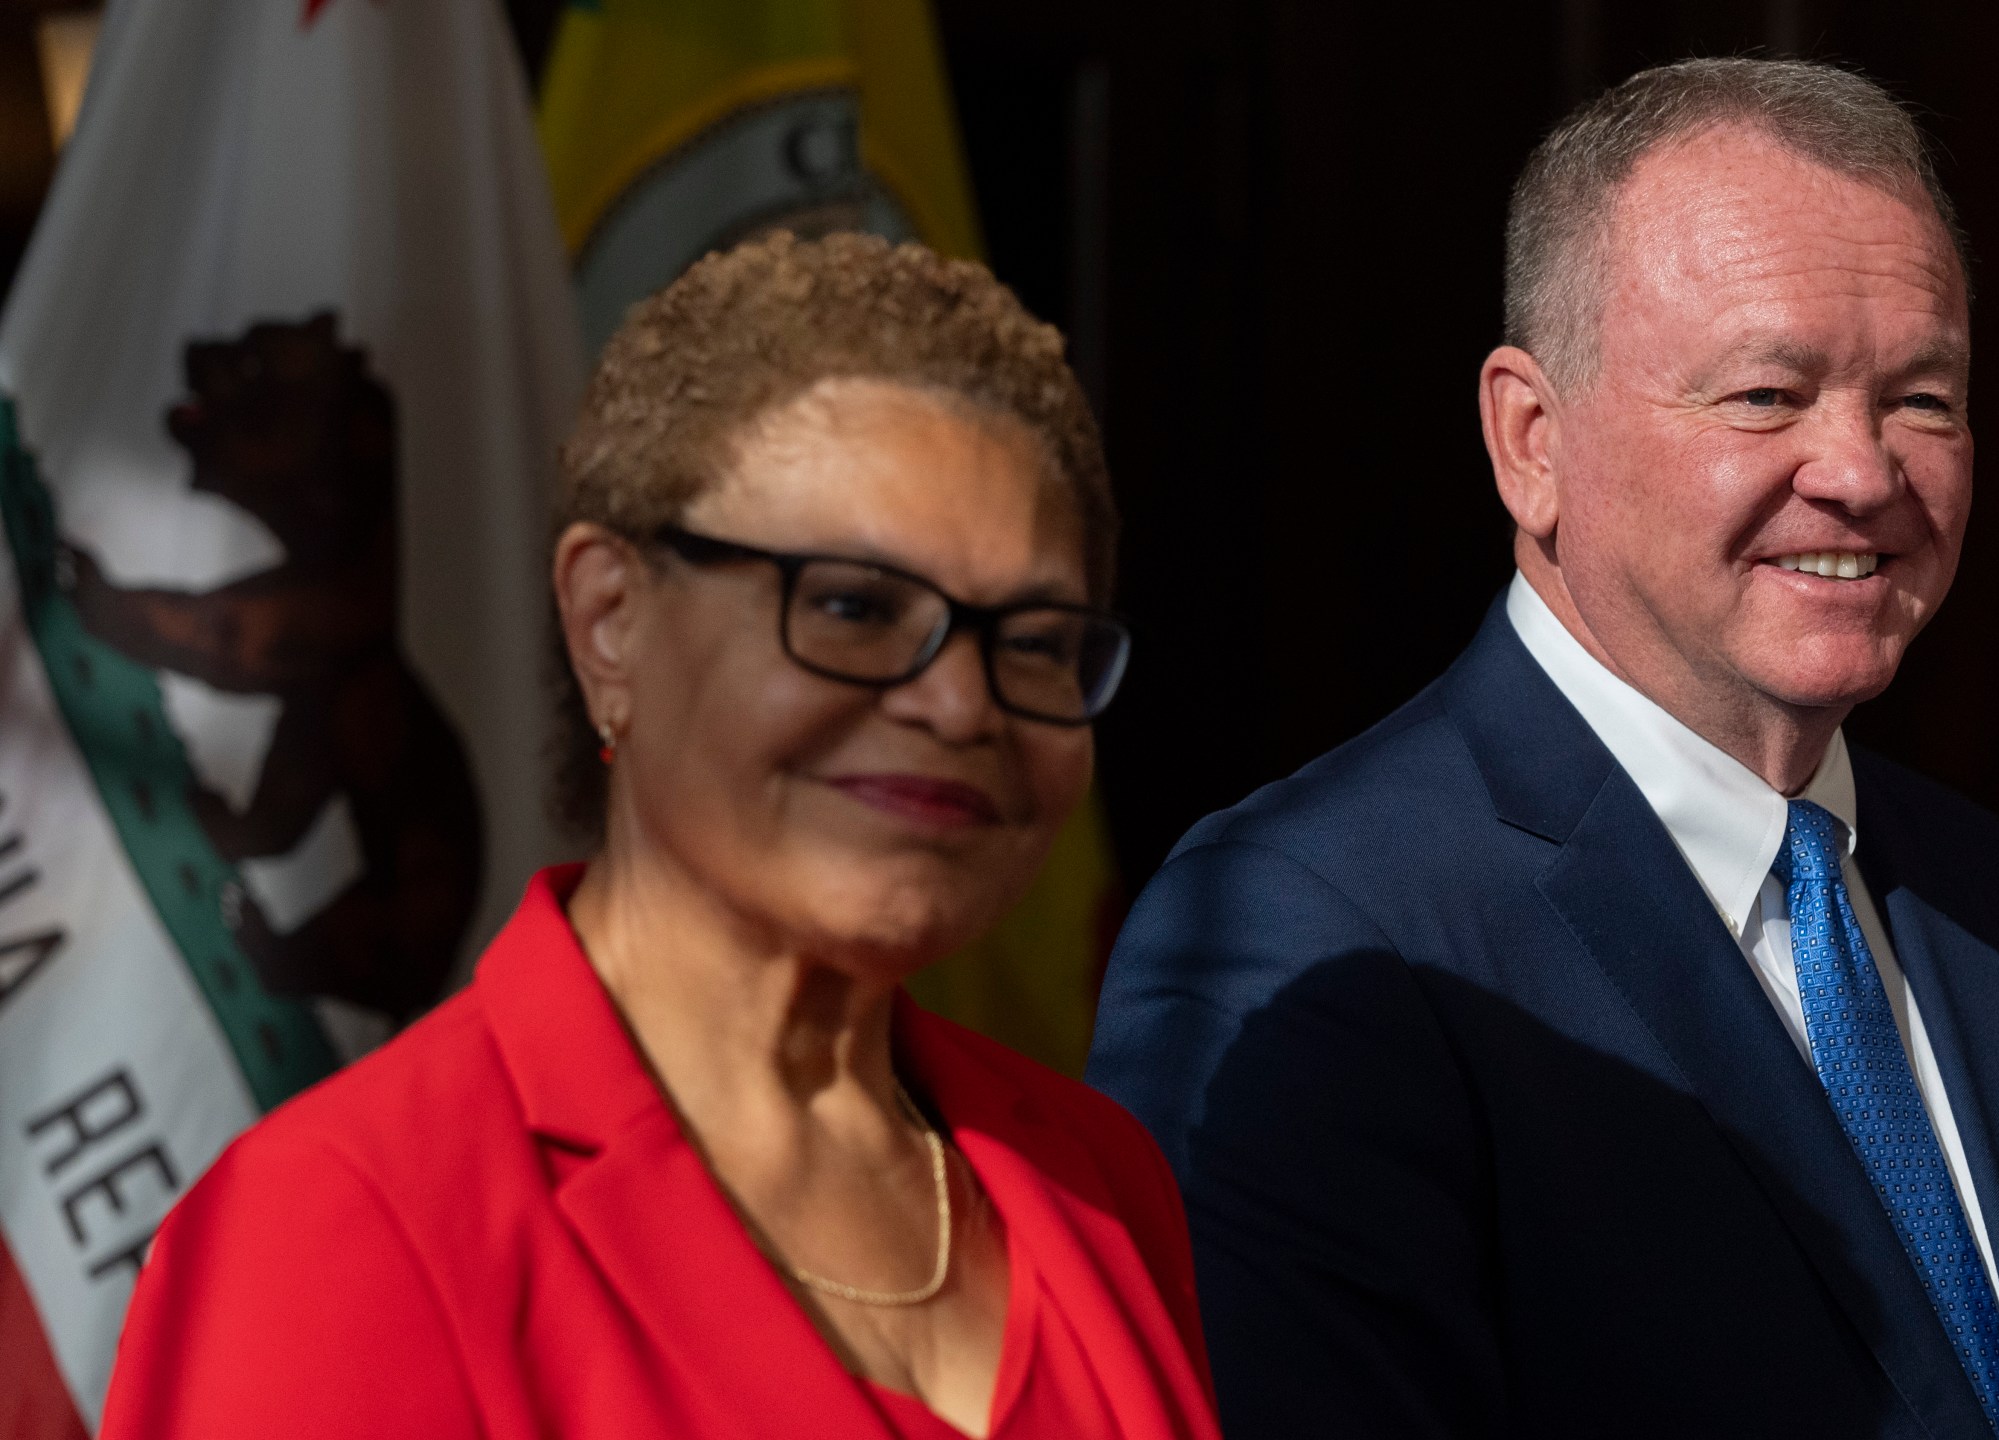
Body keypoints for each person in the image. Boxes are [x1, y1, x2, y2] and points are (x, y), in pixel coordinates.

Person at [1090, 58, 1999, 1440]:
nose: (1866, 471)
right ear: (1532, 442)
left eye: (1924, 400)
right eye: (1768, 394)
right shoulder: (1317, 939)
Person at [102, 233, 1220, 1440]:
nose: (960, 703)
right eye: (850, 606)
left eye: (1036, 640)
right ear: (609, 621)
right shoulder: (337, 1224)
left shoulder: (1103, 1178)